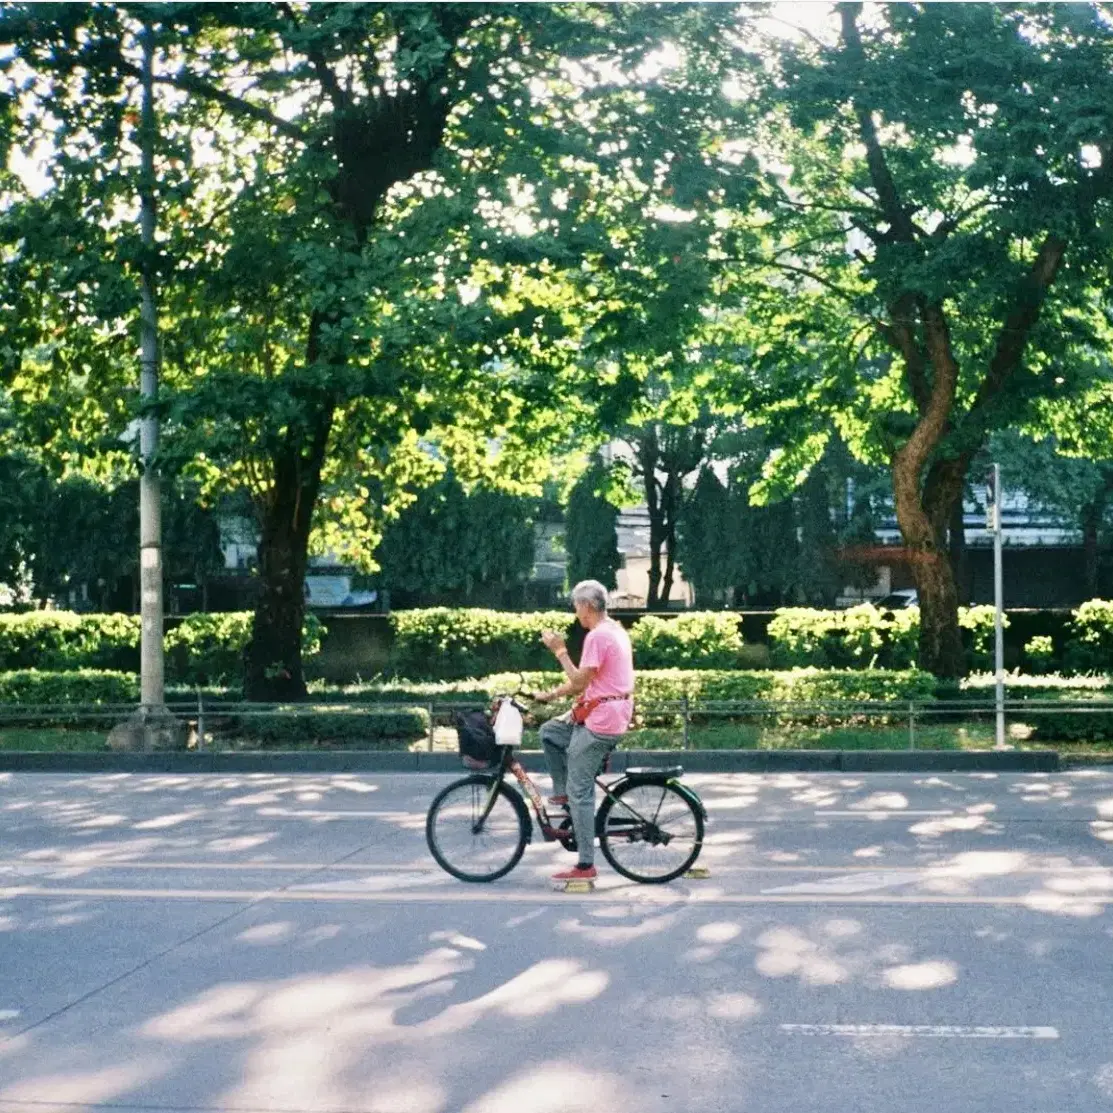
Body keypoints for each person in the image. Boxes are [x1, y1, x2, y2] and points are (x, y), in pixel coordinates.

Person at [535, 579, 634, 882]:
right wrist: (550, 696)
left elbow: (579, 681)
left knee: (581, 792)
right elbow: (589, 681)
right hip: (605, 712)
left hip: (601, 722)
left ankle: (585, 864)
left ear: (587, 606)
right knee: (550, 732)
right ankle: (564, 795)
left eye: (577, 606)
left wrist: (560, 651)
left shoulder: (597, 637)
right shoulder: (614, 630)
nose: (576, 612)